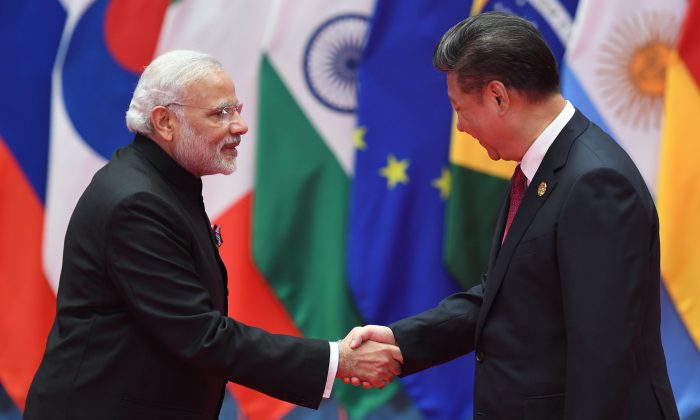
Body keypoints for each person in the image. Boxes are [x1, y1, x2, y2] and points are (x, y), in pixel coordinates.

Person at [24, 50, 401, 420]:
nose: (240, 126)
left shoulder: (160, 183)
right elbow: (200, 336)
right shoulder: (137, 202)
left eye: (237, 109)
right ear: (164, 122)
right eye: (220, 113)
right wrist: (337, 359)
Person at [346, 12, 680, 420]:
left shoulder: (596, 183)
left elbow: (602, 357)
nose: (461, 127)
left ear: (499, 96)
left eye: (460, 108)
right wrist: (401, 340)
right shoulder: (541, 165)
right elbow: (506, 294)